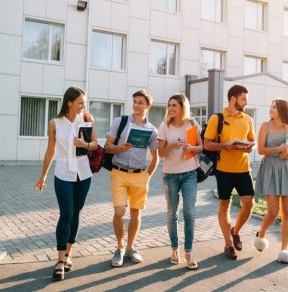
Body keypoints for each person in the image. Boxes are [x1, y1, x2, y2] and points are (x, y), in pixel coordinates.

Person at [34, 87, 98, 281]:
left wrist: (84, 145)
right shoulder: (55, 123)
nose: (83, 106)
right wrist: (43, 176)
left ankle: (69, 254)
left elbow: (95, 144)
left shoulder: (87, 119)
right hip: (62, 172)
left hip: (83, 173)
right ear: (69, 102)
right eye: (80, 102)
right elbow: (50, 151)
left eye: (84, 103)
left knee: (77, 212)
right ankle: (60, 260)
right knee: (67, 213)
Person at [105, 90, 159, 267]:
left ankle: (130, 248)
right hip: (119, 172)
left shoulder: (152, 130)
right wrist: (120, 148)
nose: (136, 105)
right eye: (134, 102)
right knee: (119, 212)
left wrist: (147, 176)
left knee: (136, 213)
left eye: (140, 102)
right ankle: (119, 248)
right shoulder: (119, 122)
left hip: (139, 175)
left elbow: (155, 156)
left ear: (148, 106)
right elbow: (107, 147)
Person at [204, 85, 256, 260]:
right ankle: (228, 244)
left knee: (249, 204)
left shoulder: (247, 119)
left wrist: (248, 148)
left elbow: (251, 141)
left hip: (243, 168)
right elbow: (207, 144)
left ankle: (235, 231)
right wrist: (224, 146)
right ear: (233, 99)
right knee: (224, 206)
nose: (246, 103)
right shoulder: (216, 118)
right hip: (223, 170)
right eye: (243, 99)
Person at [252, 98, 288, 264]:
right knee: (273, 211)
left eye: (274, 107)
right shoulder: (265, 126)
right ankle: (261, 234)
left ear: (282, 110)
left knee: (287, 213)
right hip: (270, 169)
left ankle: (284, 249)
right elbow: (260, 150)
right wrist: (278, 149)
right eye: (270, 106)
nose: (271, 109)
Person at [157, 93, 202, 269]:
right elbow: (160, 153)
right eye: (169, 105)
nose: (171, 108)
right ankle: (174, 249)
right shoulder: (164, 126)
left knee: (189, 213)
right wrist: (172, 146)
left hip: (190, 173)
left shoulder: (192, 123)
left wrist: (192, 148)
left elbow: (201, 146)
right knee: (171, 213)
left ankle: (188, 252)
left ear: (182, 107)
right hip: (170, 175)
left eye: (174, 105)